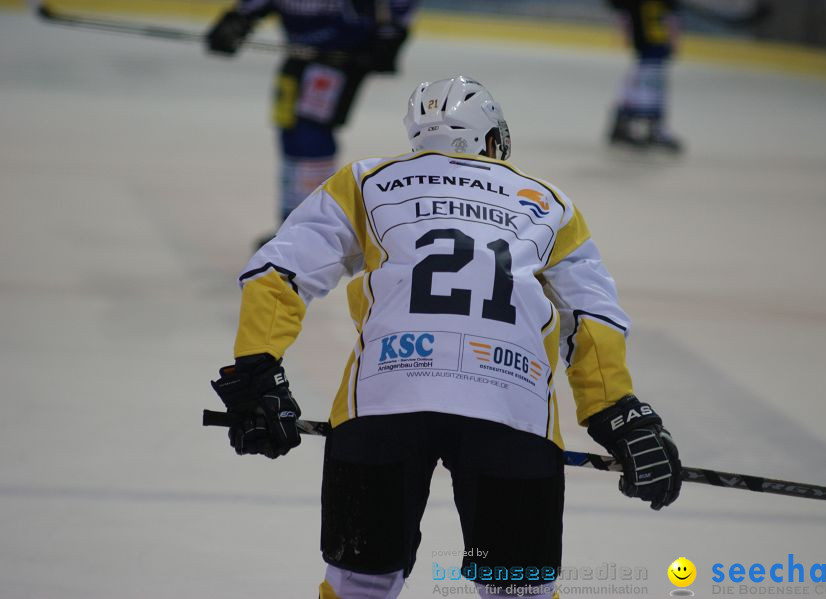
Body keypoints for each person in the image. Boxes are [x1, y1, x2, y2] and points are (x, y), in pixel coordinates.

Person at [210, 76, 682, 599]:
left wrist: (257, 368)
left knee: (361, 581)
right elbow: (592, 315)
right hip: (509, 405)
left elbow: (278, 271)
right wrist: (616, 412)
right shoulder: (550, 204)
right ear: (491, 140)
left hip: (387, 397)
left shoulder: (366, 180)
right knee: (515, 587)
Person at [205, 0, 418, 242]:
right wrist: (237, 20)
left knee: (309, 134)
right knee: (290, 131)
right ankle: (295, 224)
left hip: (338, 61)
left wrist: (389, 31)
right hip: (299, 58)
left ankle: (312, 229)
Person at [605, 0, 683, 152]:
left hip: (650, 40)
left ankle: (630, 125)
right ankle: (651, 128)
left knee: (643, 77)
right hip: (650, 41)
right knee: (648, 79)